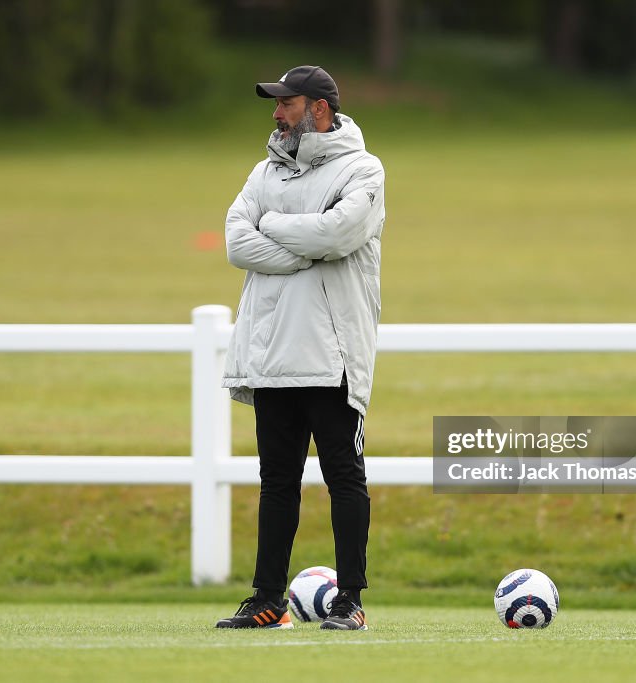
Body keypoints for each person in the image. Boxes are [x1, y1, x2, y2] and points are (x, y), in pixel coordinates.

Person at [215, 65, 385, 631]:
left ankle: (350, 601)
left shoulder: (363, 169)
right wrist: (301, 244)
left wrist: (275, 226)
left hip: (332, 356)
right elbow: (238, 241)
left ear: (318, 108)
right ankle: (267, 599)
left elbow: (339, 234)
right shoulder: (263, 172)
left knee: (344, 479)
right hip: (272, 357)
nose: (276, 112)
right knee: (276, 483)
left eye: (286, 102)